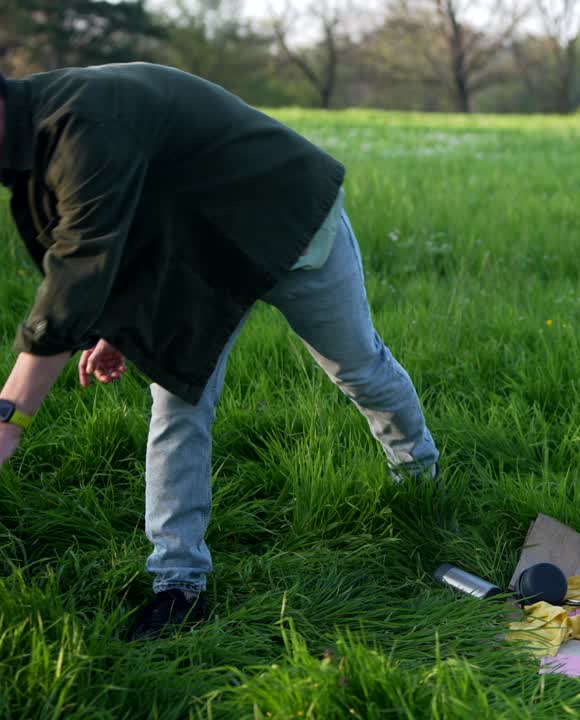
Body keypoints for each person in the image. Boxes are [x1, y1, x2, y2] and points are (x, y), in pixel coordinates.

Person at [0, 63, 440, 641]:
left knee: (358, 367)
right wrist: (121, 325)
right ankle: (178, 583)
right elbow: (116, 230)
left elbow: (80, 264)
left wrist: (9, 419)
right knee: (178, 402)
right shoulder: (38, 137)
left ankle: (422, 484)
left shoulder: (86, 119)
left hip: (286, 224)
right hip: (199, 256)